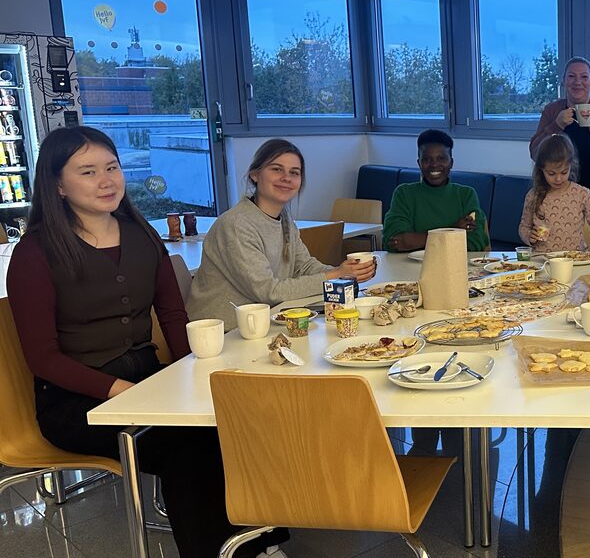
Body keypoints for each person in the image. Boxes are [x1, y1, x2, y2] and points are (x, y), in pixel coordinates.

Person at [6, 126, 288, 558]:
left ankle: (260, 539)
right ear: (57, 185)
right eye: (88, 171)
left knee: (239, 413)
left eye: (112, 167)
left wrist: (194, 369)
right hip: (76, 401)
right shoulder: (35, 253)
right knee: (187, 443)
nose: (106, 180)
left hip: (149, 377)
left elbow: (173, 315)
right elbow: (43, 358)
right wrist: (121, 391)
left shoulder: (140, 234)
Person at [188, 139, 375, 330]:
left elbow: (303, 266)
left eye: (294, 172)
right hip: (224, 333)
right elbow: (269, 291)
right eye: (277, 169)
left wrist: (342, 274)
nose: (287, 177)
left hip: (265, 321)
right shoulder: (236, 225)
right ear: (254, 174)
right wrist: (336, 274)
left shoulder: (283, 217)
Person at [530, 56, 590, 224]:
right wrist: (556, 125)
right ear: (563, 81)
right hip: (557, 204)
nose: (578, 82)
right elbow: (535, 152)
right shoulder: (552, 111)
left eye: (584, 77)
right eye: (571, 76)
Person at [383, 129, 490, 252]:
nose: (434, 165)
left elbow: (476, 243)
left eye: (441, 159)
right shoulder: (404, 194)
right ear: (419, 163)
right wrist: (452, 230)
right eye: (427, 159)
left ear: (451, 162)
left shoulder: (466, 195)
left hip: (457, 266)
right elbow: (395, 242)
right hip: (410, 268)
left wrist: (416, 240)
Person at [519, 134, 590, 252]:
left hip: (575, 261)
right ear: (541, 169)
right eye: (551, 174)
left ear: (571, 166)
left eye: (564, 172)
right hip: (543, 261)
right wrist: (529, 237)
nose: (558, 179)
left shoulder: (582, 194)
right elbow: (524, 227)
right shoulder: (533, 195)